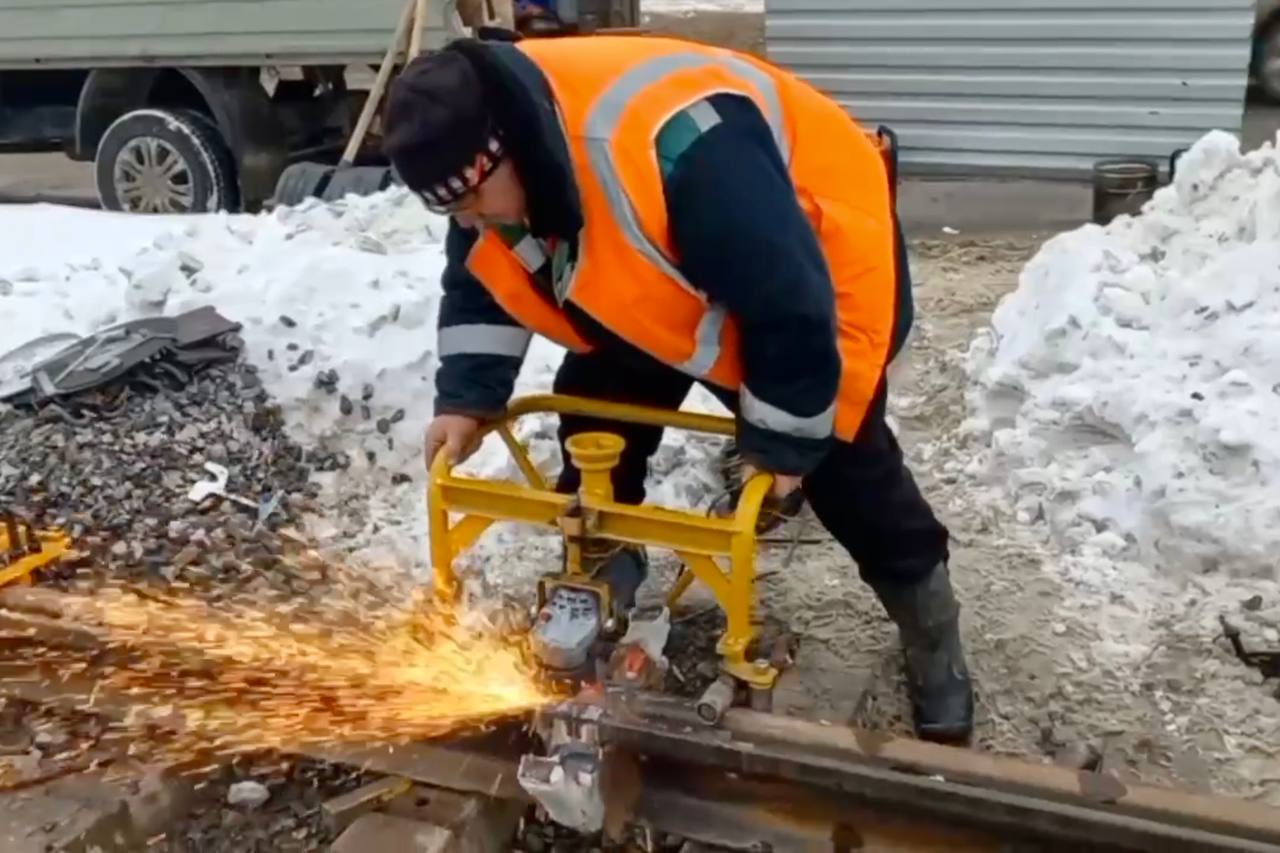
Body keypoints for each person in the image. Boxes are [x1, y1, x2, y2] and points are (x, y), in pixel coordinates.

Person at [382, 31, 974, 742]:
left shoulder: (685, 149)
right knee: (596, 421)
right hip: (667, 267)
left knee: (850, 470)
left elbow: (788, 301)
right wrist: (466, 398)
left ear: (506, 150)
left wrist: (784, 442)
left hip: (813, 263)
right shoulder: (497, 156)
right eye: (456, 213)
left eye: (475, 199)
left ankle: (932, 633)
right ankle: (603, 569)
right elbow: (483, 272)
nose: (472, 222)